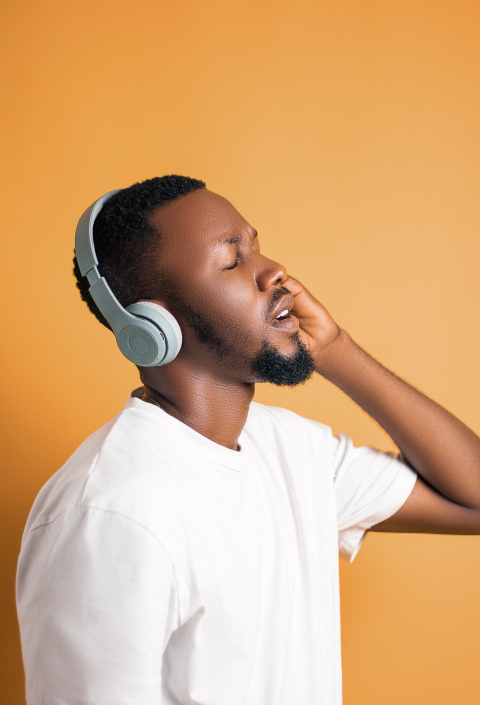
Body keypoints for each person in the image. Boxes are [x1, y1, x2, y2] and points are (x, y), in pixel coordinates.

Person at [16, 175, 480, 705]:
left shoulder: (295, 452)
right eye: (233, 261)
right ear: (154, 325)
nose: (274, 271)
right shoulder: (110, 515)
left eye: (256, 245)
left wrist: (337, 351)